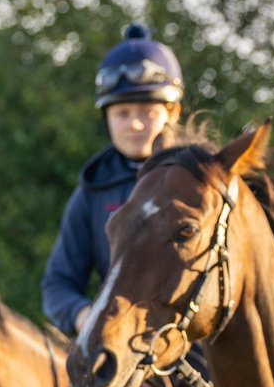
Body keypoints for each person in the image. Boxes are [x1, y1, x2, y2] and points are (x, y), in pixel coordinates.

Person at [42, 23, 184, 335]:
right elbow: (58, 284)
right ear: (106, 118)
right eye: (122, 113)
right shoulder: (93, 190)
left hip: (200, 352)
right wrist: (85, 316)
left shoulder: (200, 180)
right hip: (123, 349)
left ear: (172, 113)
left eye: (147, 112)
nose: (134, 124)